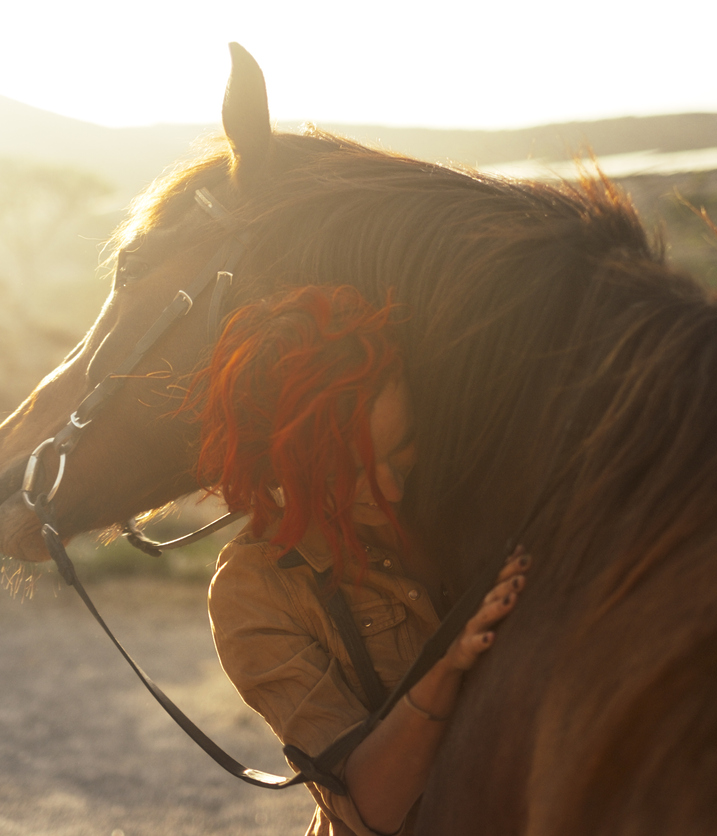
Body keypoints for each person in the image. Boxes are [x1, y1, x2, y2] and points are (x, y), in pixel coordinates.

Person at [191, 285, 530, 836]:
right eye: (345, 478)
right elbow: (368, 805)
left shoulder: (466, 495)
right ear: (278, 470)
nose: (392, 490)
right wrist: (450, 665)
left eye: (401, 449)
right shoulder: (255, 590)